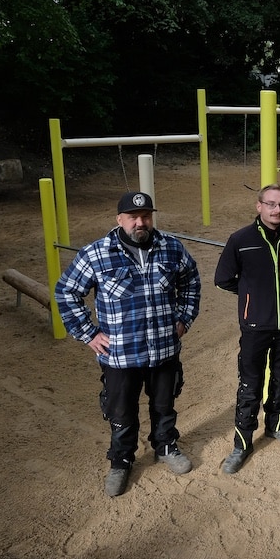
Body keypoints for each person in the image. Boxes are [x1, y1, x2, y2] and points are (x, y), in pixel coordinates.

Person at [55, 191, 201, 497]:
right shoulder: (96, 254)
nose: (140, 222)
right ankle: (121, 461)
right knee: (121, 411)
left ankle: (166, 446)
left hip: (164, 349)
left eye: (146, 216)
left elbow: (191, 281)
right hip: (119, 354)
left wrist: (184, 319)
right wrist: (88, 333)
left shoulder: (171, 248)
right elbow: (67, 291)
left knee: (164, 405)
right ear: (119, 220)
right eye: (133, 217)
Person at [214, 184, 280, 474]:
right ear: (259, 206)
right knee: (250, 384)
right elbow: (223, 278)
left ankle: (276, 425)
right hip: (255, 326)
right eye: (270, 204)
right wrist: (250, 294)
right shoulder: (241, 239)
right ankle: (242, 443)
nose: (276, 210)